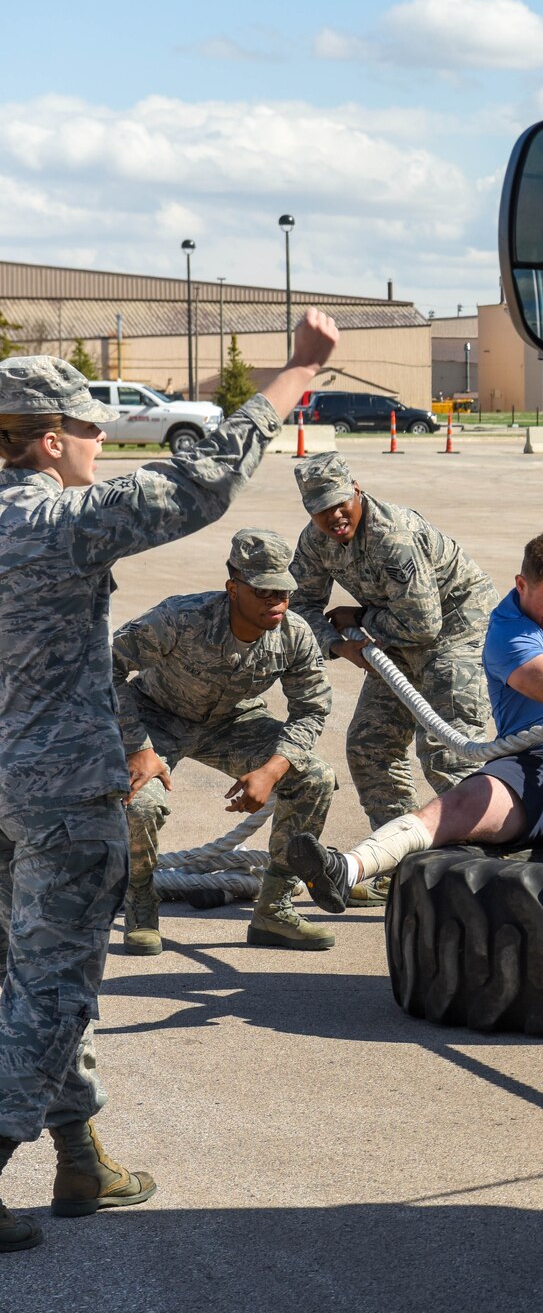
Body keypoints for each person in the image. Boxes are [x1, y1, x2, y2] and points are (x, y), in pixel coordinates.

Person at [0, 313, 338, 1253]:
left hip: (3, 788)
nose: (105, 442)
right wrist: (294, 373)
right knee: (54, 986)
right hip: (62, 795)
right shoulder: (56, 521)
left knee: (26, 970)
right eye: (93, 429)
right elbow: (204, 478)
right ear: (50, 438)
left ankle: (79, 1156)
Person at [290, 531, 543, 909]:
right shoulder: (504, 630)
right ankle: (347, 868)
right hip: (529, 770)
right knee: (457, 806)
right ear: (522, 585)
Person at [116, 527, 339, 956]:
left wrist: (272, 770)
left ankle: (274, 910)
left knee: (314, 778)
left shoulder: (293, 633)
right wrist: (137, 746)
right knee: (139, 802)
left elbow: (311, 708)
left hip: (232, 721)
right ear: (233, 588)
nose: (278, 602)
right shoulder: (180, 618)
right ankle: (141, 904)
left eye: (284, 591)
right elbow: (104, 667)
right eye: (264, 591)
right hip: (156, 716)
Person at [287, 451, 496, 903]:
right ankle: (402, 862)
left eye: (340, 503)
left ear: (356, 490)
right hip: (395, 634)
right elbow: (299, 607)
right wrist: (339, 644)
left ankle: (483, 873)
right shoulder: (315, 541)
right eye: (321, 509)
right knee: (369, 744)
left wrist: (361, 616)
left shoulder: (392, 536)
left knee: (449, 752)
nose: (333, 516)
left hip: (456, 628)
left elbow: (424, 625)